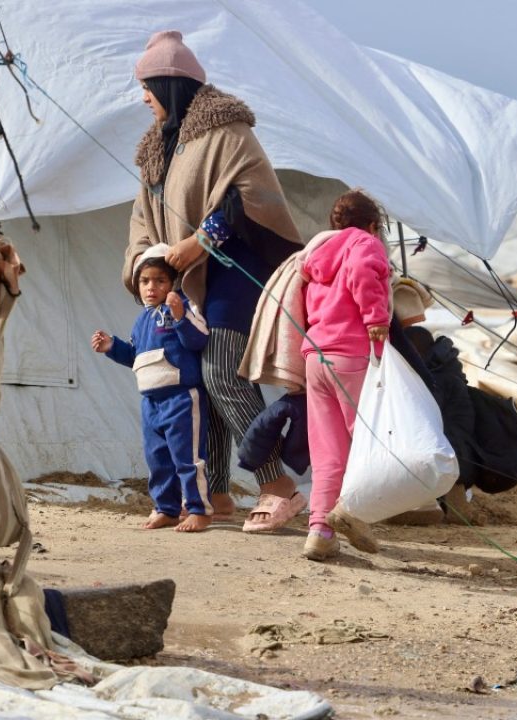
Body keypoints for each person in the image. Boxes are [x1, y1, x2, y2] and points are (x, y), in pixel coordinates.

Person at [124, 30, 307, 532]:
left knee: (223, 372)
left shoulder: (227, 131)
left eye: (148, 86)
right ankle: (217, 492)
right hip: (186, 279)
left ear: (170, 84)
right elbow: (143, 219)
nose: (143, 97)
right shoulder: (156, 152)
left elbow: (246, 199)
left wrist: (199, 243)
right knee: (199, 381)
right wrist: (150, 259)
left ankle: (278, 486)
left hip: (236, 272)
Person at [93, 245, 213, 532]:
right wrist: (113, 347)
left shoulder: (183, 305)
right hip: (150, 403)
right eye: (145, 281)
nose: (151, 287)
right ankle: (167, 508)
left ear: (173, 282)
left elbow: (199, 340)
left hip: (181, 397)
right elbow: (137, 356)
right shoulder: (142, 319)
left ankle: (199, 509)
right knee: (157, 458)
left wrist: (181, 316)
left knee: (188, 458)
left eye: (160, 280)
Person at [300, 190, 393, 560]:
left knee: (328, 452)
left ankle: (320, 531)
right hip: (351, 355)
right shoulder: (364, 243)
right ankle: (355, 515)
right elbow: (360, 271)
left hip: (316, 356)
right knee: (367, 443)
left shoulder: (319, 251)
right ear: (373, 225)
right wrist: (376, 318)